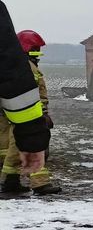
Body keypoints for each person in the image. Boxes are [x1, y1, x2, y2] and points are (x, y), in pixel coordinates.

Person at [0, 1, 52, 230]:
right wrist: (35, 130)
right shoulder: (23, 67)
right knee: (15, 150)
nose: (36, 54)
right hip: (18, 121)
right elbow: (19, 89)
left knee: (9, 152)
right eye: (33, 49)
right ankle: (35, 182)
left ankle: (12, 180)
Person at [0, 29, 59, 196]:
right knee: (33, 145)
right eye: (36, 49)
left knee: (14, 149)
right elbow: (31, 95)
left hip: (14, 114)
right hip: (26, 115)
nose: (39, 53)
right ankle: (40, 184)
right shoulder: (28, 69)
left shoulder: (21, 66)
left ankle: (9, 182)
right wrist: (43, 114)